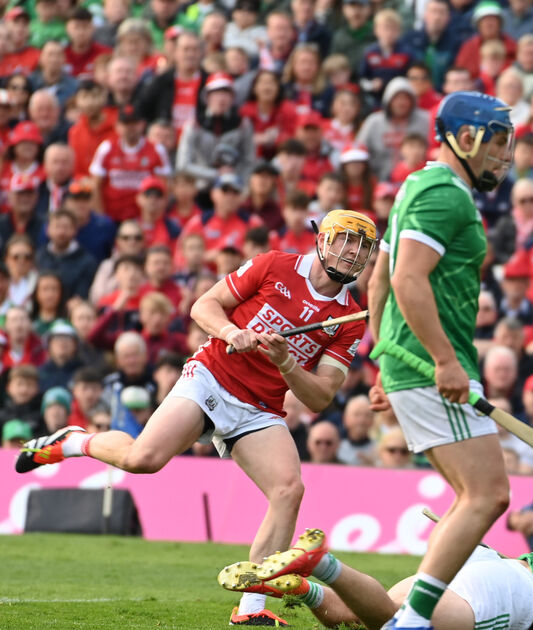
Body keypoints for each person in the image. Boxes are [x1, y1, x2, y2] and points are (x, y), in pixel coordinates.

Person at [15, 210, 378, 626]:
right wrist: (231, 332)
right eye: (347, 240)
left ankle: (251, 610)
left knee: (289, 490)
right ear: (322, 239)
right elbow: (203, 305)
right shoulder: (274, 265)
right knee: (142, 460)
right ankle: (73, 441)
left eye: (362, 246)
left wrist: (286, 363)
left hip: (260, 407)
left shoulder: (349, 318)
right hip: (212, 377)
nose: (354, 252)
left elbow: (321, 396)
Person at [365, 92, 515, 630]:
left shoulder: (416, 185)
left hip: (411, 363)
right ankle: (412, 620)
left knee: (471, 497)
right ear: (465, 138)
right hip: (433, 366)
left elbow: (380, 281)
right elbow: (406, 279)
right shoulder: (444, 195)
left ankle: (412, 615)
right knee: (488, 494)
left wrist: (383, 360)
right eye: (496, 143)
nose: (504, 156)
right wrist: (444, 361)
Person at [217, 512, 533, 630]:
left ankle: (302, 587)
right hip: (512, 595)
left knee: (364, 616)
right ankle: (321, 563)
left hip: (493, 566)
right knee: (394, 623)